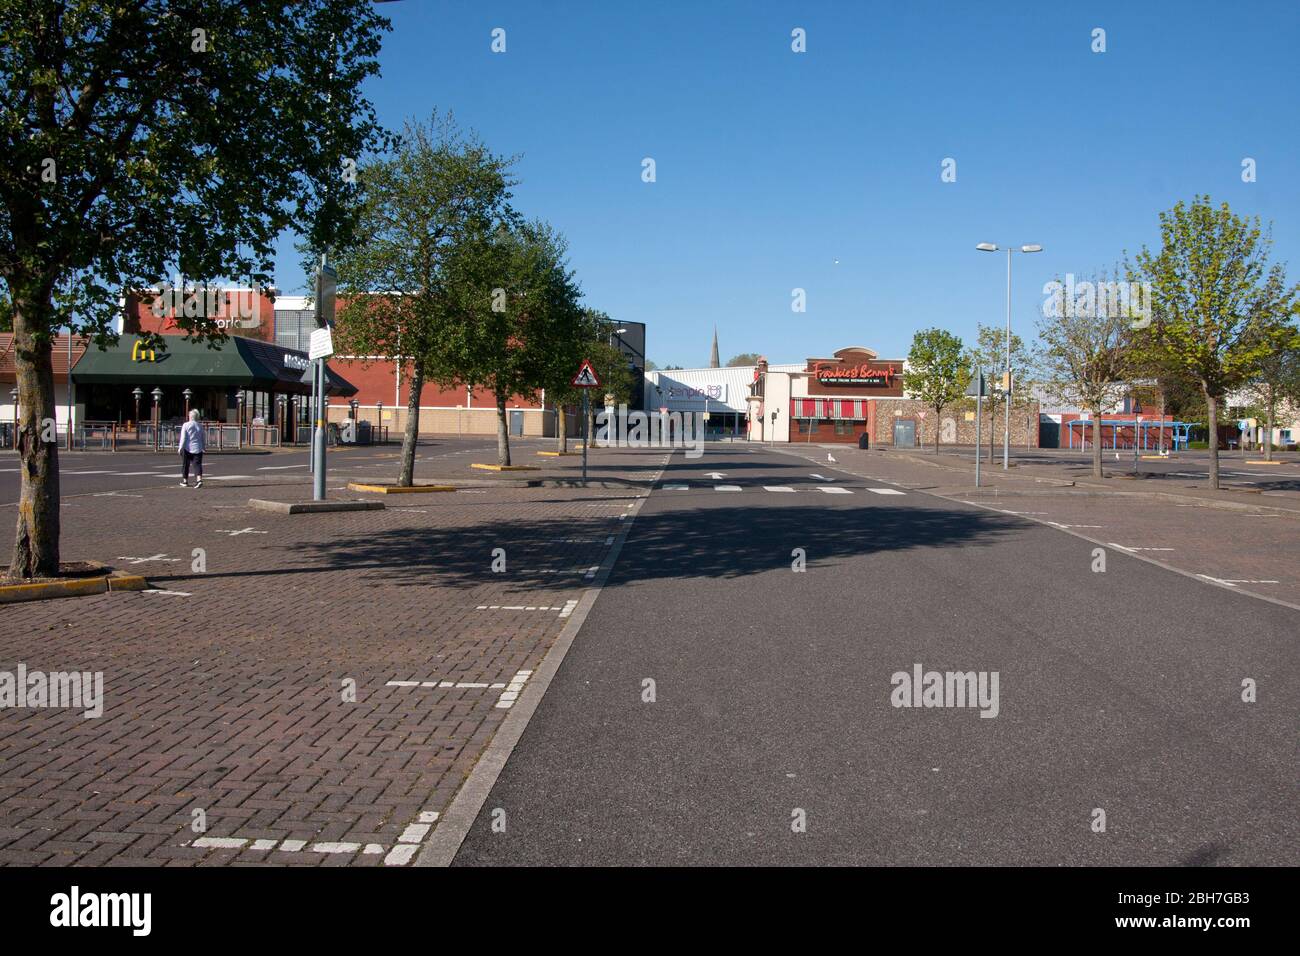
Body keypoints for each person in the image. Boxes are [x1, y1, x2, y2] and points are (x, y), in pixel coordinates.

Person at [178, 409, 206, 488]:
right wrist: (204, 447)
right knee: (197, 465)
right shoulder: (200, 425)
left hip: (187, 448)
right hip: (198, 448)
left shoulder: (186, 425)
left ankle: (185, 481)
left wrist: (180, 448)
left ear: (190, 417)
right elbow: (203, 437)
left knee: (185, 465)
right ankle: (199, 480)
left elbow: (183, 438)